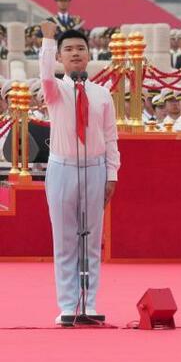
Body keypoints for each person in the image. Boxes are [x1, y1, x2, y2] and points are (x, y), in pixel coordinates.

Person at [39, 20, 119, 325]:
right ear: (60, 57)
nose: (75, 53)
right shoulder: (55, 90)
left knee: (92, 241)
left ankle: (90, 303)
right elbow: (45, 75)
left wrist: (112, 174)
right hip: (62, 169)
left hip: (95, 168)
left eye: (80, 48)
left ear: (89, 54)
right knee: (65, 240)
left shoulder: (102, 94)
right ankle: (68, 306)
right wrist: (48, 40)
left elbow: (111, 137)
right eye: (69, 49)